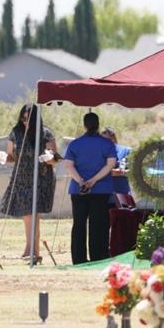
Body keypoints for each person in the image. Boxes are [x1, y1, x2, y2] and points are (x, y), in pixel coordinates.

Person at [0, 104, 58, 261]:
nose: (25, 122)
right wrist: (2, 157)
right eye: (23, 118)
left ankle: (31, 250)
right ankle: (31, 250)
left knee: (33, 211)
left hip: (41, 177)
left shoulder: (45, 133)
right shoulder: (16, 133)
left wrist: (49, 157)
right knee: (27, 212)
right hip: (22, 177)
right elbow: (12, 156)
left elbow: (54, 159)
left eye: (28, 119)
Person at [64, 113, 117, 264]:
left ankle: (79, 258)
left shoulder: (75, 144)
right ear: (98, 124)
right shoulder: (107, 144)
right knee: (98, 224)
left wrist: (81, 181)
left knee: (79, 224)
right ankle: (98, 257)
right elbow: (110, 164)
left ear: (84, 125)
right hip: (101, 189)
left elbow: (68, 165)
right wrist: (94, 180)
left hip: (78, 189)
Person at [101, 127, 131, 206]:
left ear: (113, 138)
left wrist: (119, 172)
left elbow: (134, 171)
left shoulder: (125, 151)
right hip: (103, 196)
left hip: (123, 194)